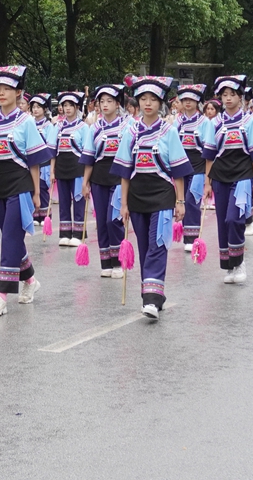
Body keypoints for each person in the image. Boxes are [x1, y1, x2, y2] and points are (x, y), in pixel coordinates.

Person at [0, 66, 51, 316]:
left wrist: (37, 193)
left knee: (11, 239)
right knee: (12, 236)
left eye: (7, 89)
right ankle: (30, 280)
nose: (2, 93)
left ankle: (1, 295)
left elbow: (35, 161)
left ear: (18, 93)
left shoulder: (26, 121)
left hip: (21, 183)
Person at [111, 76, 192, 319]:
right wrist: (123, 204)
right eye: (143, 99)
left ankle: (152, 300)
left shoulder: (169, 131)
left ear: (161, 103)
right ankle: (154, 293)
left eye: (153, 100)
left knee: (157, 244)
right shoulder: (131, 131)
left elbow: (177, 171)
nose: (148, 103)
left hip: (162, 194)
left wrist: (180, 201)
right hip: (137, 195)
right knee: (145, 246)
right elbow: (125, 171)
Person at [201, 76, 253, 284]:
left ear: (240, 97)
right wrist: (207, 183)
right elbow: (210, 155)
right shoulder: (215, 123)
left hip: (242, 175)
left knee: (234, 218)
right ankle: (229, 266)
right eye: (224, 95)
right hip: (220, 174)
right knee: (222, 221)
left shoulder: (252, 121)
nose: (228, 98)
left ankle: (239, 262)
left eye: (232, 94)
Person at [80, 84, 127, 278]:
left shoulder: (129, 126)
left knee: (113, 219)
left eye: (110, 101)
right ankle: (106, 262)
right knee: (101, 221)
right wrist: (85, 182)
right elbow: (89, 157)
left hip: (118, 177)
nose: (105, 105)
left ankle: (119, 262)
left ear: (118, 103)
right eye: (102, 101)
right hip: (99, 176)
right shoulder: (95, 128)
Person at [51, 91, 88, 246]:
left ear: (76, 107)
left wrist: (87, 175)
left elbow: (87, 152)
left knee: (78, 200)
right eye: (64, 105)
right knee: (64, 201)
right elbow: (52, 150)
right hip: (61, 167)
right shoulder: (58, 127)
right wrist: (52, 171)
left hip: (77, 167)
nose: (66, 109)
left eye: (70, 106)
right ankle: (65, 232)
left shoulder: (83, 127)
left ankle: (79, 234)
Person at [174, 84, 207, 253]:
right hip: (181, 164)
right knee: (181, 198)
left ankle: (192, 237)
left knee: (192, 199)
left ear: (198, 101)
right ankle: (185, 231)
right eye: (185, 99)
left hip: (198, 164)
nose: (187, 102)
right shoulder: (177, 121)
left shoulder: (204, 122)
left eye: (191, 99)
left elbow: (209, 148)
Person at [29, 94, 57, 225]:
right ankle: (35, 214)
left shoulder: (49, 126)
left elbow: (50, 145)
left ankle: (45, 215)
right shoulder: (29, 124)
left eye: (38, 107)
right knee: (33, 187)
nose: (35, 110)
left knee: (43, 188)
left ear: (44, 109)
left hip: (44, 161)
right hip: (32, 161)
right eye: (33, 107)